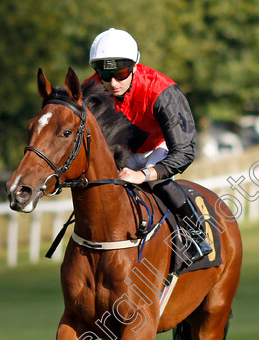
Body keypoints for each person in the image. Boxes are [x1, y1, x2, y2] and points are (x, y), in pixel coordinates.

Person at [84, 28, 212, 262]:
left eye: (121, 74)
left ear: (134, 66)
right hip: (121, 152)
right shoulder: (89, 90)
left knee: (157, 183)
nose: (112, 83)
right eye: (104, 74)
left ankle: (196, 234)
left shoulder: (162, 91)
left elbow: (184, 151)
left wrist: (144, 174)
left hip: (159, 148)